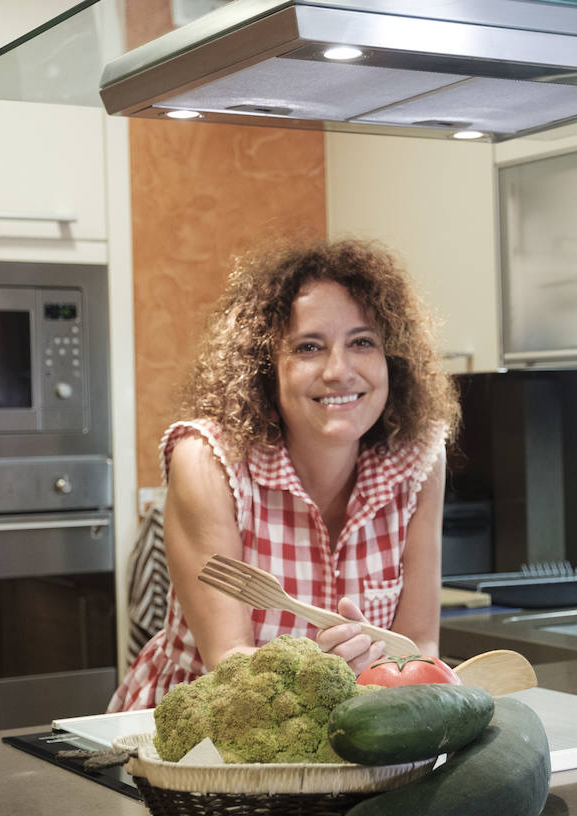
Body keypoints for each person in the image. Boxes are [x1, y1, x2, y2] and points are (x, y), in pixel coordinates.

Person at [108, 238, 460, 711]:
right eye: (309, 347)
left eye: (362, 342)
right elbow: (227, 662)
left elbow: (419, 647)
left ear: (391, 359)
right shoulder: (207, 461)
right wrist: (321, 674)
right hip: (198, 734)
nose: (339, 370)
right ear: (263, 368)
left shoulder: (418, 461)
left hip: (348, 739)